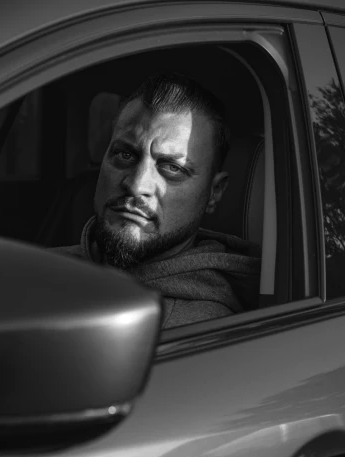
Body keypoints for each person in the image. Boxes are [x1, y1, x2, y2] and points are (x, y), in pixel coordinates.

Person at [53, 72, 261, 329]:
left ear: (214, 192)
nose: (136, 185)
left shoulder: (201, 330)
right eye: (125, 154)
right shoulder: (41, 268)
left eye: (172, 168)